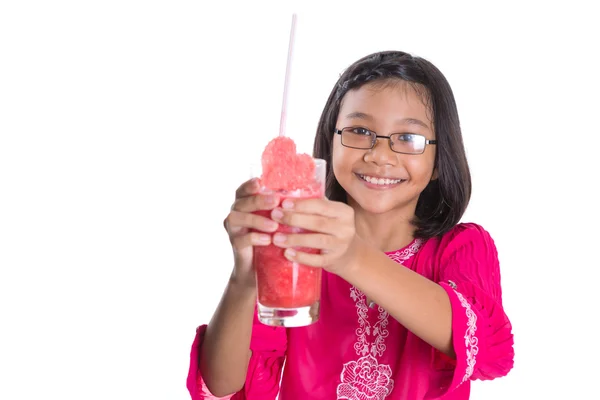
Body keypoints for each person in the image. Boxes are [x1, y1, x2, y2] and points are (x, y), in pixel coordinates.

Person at [186, 50, 514, 400]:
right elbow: (224, 387)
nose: (379, 155)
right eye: (359, 131)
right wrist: (244, 278)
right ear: (331, 142)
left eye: (408, 138)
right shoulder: (296, 251)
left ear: (438, 161)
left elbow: (490, 352)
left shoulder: (461, 247)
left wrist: (352, 257)